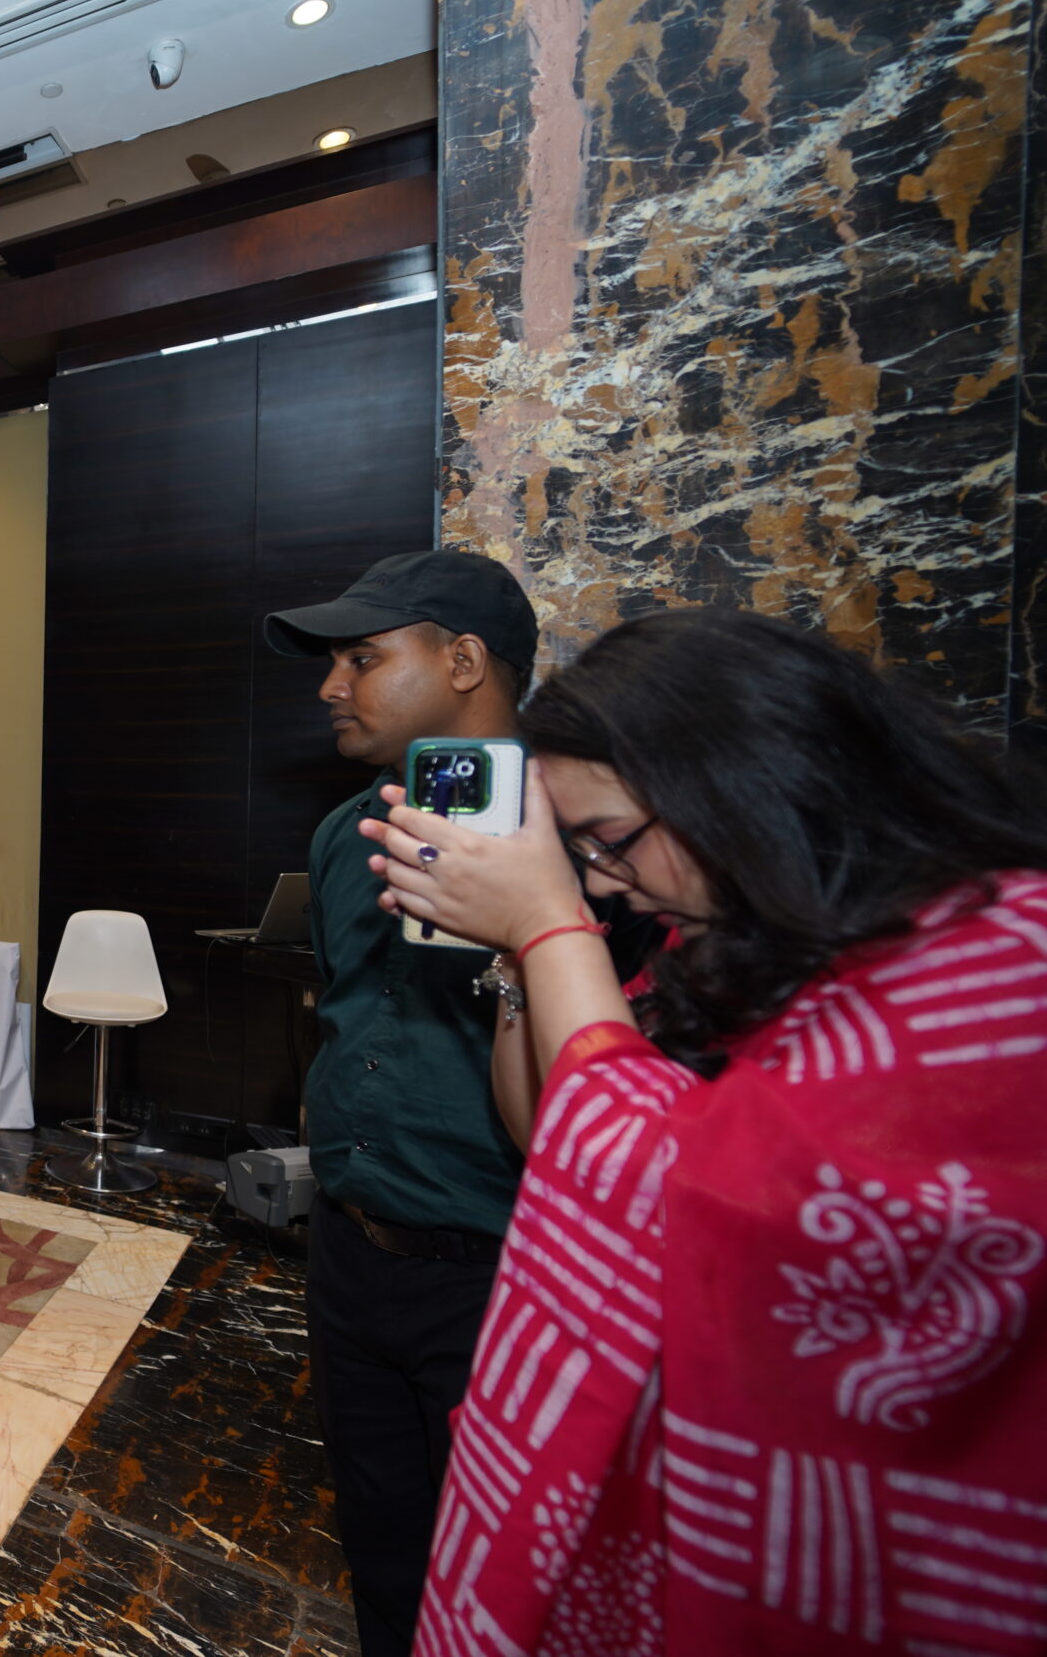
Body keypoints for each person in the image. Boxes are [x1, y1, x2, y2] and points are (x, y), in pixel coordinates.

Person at [363, 608, 1047, 1657]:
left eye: (611, 840)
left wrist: (549, 922)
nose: (601, 879)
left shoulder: (998, 965)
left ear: (736, 784)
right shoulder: (739, 944)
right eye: (580, 852)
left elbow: (660, 1186)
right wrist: (524, 952)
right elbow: (560, 1139)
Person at [261, 549, 575, 1657]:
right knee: (386, 1558)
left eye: (361, 659)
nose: (330, 686)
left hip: (502, 1276)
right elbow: (344, 1010)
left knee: (511, 1591)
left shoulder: (583, 834)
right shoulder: (344, 835)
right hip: (350, 1258)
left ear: (464, 662)